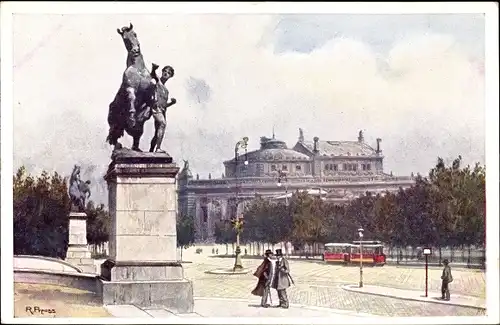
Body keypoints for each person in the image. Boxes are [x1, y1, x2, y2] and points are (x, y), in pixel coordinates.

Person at [149, 63, 177, 153]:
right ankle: (158, 149)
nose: (166, 73)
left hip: (162, 111)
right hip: (156, 109)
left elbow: (164, 105)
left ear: (170, 76)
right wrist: (154, 68)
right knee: (163, 124)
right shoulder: (158, 81)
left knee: (157, 132)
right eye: (165, 71)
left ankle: (151, 151)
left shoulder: (166, 90)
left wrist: (171, 103)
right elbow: (153, 74)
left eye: (168, 73)